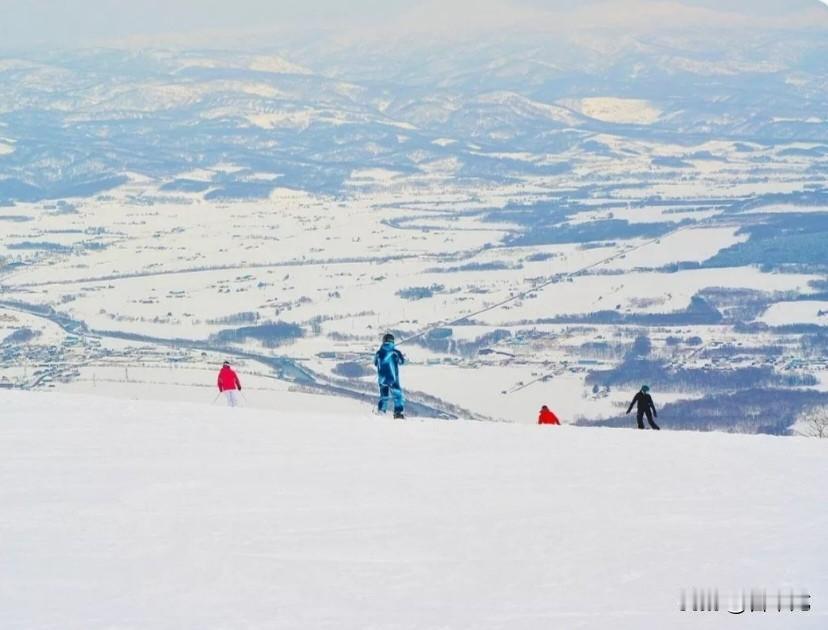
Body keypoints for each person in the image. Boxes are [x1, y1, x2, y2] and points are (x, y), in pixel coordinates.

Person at [374, 333, 406, 419]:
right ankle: (398, 413)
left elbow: (375, 363)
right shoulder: (395, 352)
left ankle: (381, 412)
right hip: (393, 379)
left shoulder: (378, 353)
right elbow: (402, 362)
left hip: (382, 379)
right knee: (398, 396)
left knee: (384, 396)